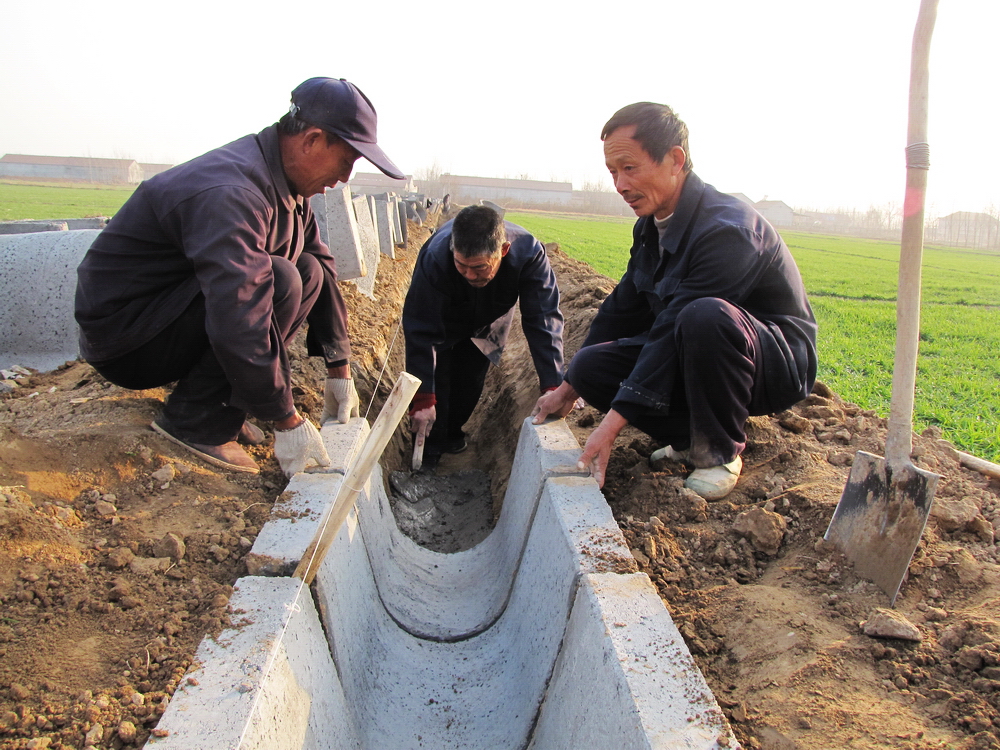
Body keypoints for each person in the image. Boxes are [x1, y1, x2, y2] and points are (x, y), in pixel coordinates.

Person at [75, 77, 404, 478]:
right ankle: (196, 422)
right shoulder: (234, 191)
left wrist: (340, 368)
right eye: (347, 161)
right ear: (313, 140)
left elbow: (321, 265)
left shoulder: (286, 184)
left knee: (308, 271)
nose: (344, 178)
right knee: (281, 279)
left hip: (173, 313)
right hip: (129, 337)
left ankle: (224, 404)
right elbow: (240, 311)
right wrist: (287, 420)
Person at [532, 102, 817, 500]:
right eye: (613, 172)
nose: (620, 185)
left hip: (769, 362)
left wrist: (611, 425)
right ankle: (688, 439)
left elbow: (674, 327)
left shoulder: (729, 230)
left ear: (675, 160)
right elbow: (622, 308)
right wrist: (569, 387)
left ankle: (720, 451)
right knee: (592, 366)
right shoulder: (649, 228)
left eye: (629, 168)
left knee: (704, 315)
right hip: (693, 349)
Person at [404, 205, 564, 468]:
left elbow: (543, 319)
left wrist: (553, 384)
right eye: (461, 266)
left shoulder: (529, 254)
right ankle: (428, 451)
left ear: (503, 251)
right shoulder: (435, 257)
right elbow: (421, 326)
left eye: (479, 268)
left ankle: (453, 432)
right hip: (445, 318)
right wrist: (423, 397)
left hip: (491, 320)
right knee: (436, 386)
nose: (469, 275)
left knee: (469, 384)